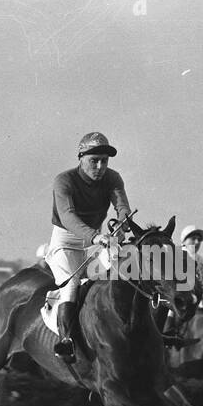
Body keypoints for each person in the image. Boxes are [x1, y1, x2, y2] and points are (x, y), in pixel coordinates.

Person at [45, 132, 131, 363]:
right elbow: (68, 216)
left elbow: (122, 206)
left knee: (122, 267)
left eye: (104, 161)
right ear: (80, 157)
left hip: (97, 238)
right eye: (94, 161)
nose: (101, 166)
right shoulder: (64, 180)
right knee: (72, 283)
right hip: (66, 241)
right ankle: (66, 340)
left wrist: (123, 225)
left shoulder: (113, 178)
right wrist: (95, 237)